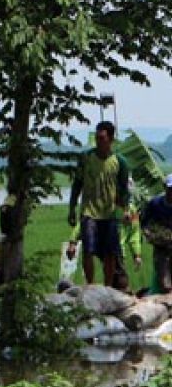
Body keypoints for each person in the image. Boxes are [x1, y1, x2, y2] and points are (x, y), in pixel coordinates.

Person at [68, 121, 130, 288]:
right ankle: (90, 285)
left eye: (102, 138)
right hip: (89, 212)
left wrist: (125, 210)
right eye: (96, 138)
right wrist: (72, 207)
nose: (98, 141)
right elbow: (77, 184)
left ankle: (108, 286)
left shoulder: (120, 162)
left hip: (109, 213)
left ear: (110, 139)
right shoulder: (86, 158)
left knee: (110, 252)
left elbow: (124, 190)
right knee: (88, 250)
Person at [141, 173, 172, 294]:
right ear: (165, 188)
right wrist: (149, 234)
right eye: (170, 189)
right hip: (161, 243)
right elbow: (145, 221)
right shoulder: (155, 203)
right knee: (162, 274)